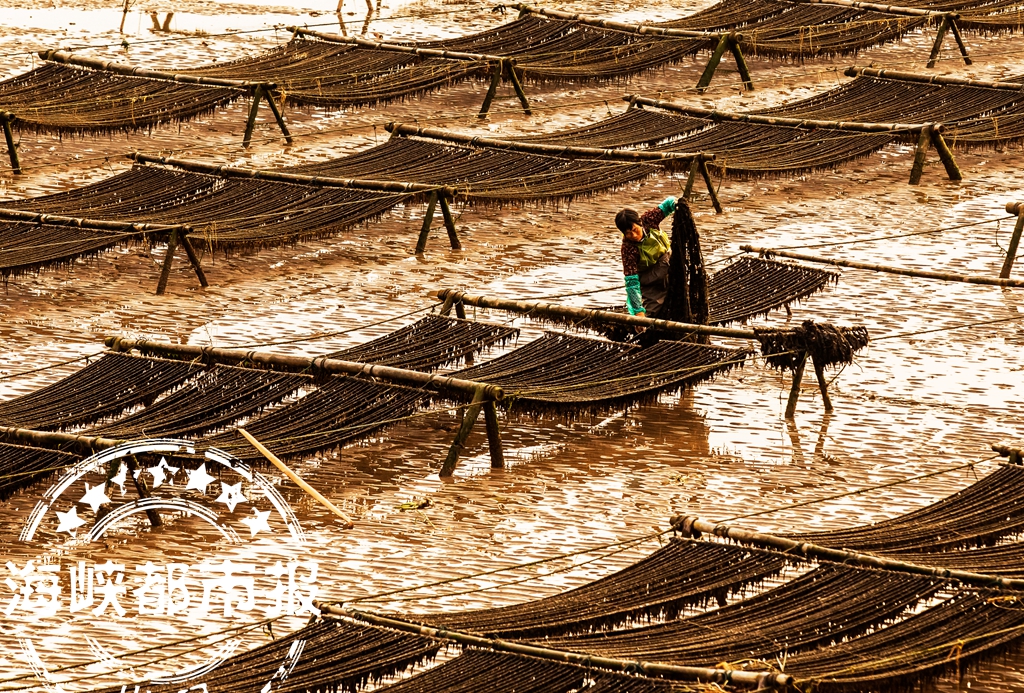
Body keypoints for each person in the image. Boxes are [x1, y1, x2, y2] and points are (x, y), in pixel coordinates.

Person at [614, 197, 678, 321]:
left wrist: (676, 204)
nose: (633, 235)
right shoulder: (628, 249)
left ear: (639, 223)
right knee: (651, 315)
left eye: (634, 230)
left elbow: (667, 205)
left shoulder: (648, 220)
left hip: (669, 264)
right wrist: (638, 311)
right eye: (628, 233)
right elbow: (631, 281)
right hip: (651, 281)